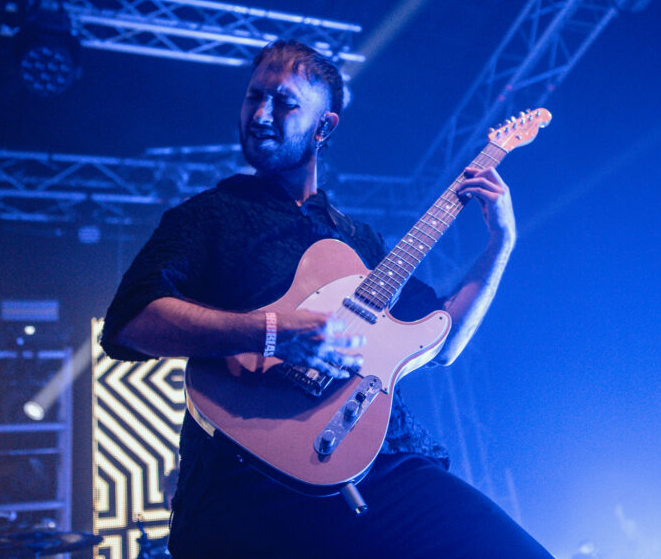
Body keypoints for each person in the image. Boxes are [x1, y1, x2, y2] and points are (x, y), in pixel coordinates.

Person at [101, 40, 552, 558]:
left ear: (324, 127)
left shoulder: (360, 240)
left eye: (284, 103)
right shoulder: (207, 215)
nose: (260, 114)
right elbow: (131, 320)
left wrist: (501, 242)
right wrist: (274, 333)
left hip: (383, 465)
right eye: (254, 96)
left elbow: (444, 340)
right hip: (248, 479)